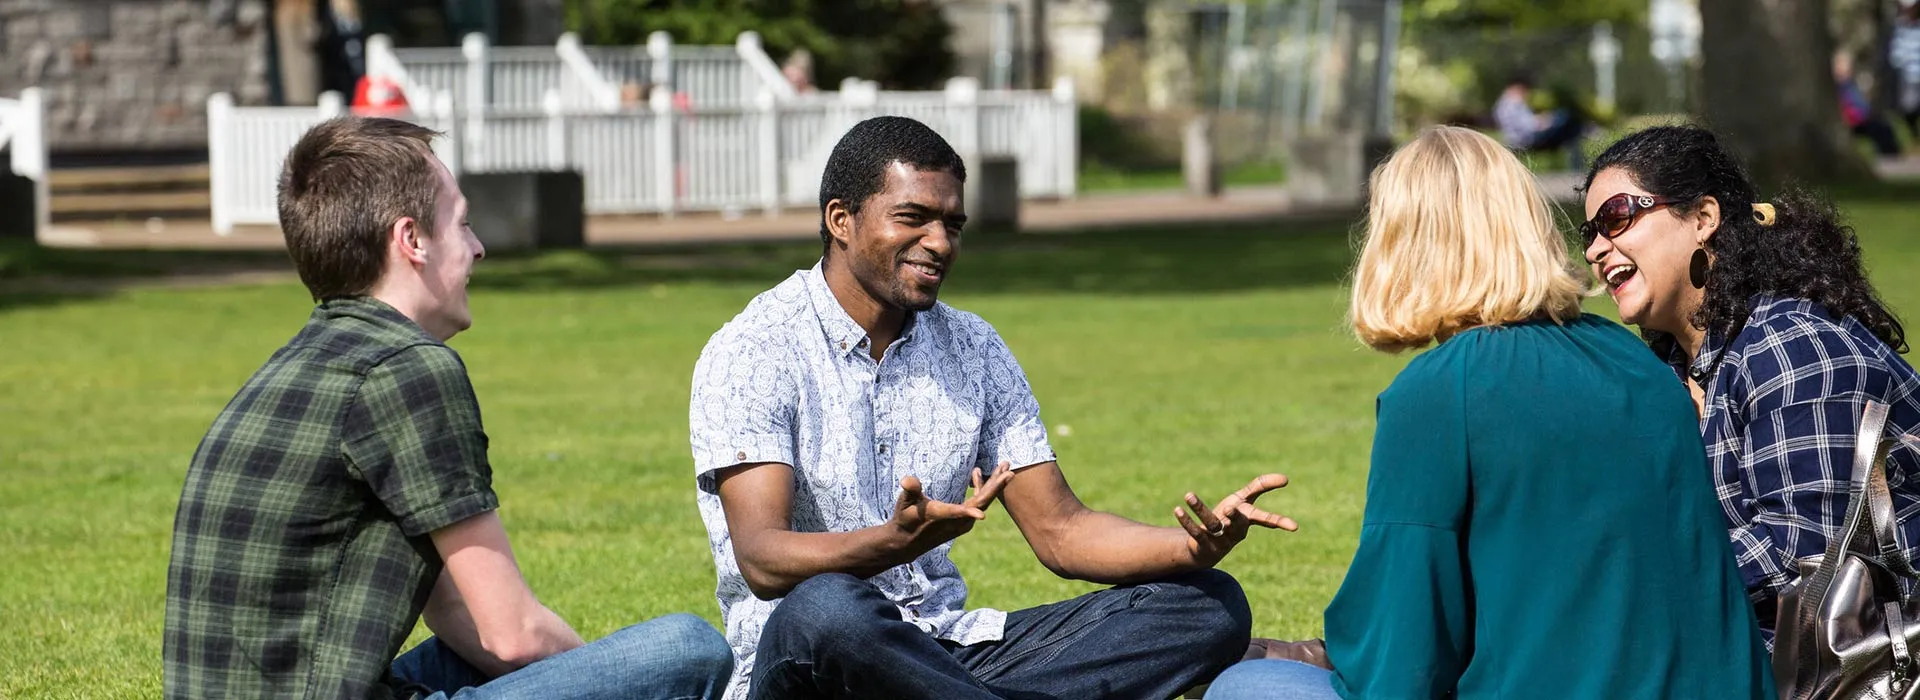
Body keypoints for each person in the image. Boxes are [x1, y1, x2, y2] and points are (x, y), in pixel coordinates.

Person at [688, 115, 1294, 700]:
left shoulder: (973, 346)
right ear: (840, 220)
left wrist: (1189, 548)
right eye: (913, 218)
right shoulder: (755, 349)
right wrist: (892, 542)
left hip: (949, 651)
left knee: (1207, 604)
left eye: (953, 224)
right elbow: (763, 559)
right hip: (812, 665)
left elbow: (1062, 531)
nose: (939, 243)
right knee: (827, 606)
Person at [162, 116, 734, 700]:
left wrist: (592, 676)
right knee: (687, 649)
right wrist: (621, 681)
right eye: (461, 223)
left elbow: (457, 611)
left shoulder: (299, 363)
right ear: (411, 240)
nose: (478, 247)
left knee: (466, 658)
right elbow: (513, 634)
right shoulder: (406, 369)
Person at [1203, 126, 1772, 699]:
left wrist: (1316, 656)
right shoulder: (1636, 361)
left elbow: (1401, 656)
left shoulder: (1437, 391)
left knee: (1244, 685)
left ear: (1403, 243)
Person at [1578, 124, 1920, 646]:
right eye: (1590, 233)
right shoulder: (1673, 371)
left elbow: (1810, 555)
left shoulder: (1789, 348)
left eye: (1616, 218)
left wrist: (1632, 581)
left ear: (1703, 218)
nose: (1594, 250)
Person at [1491, 73, 1587, 169]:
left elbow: (1524, 121)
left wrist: (1542, 118)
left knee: (1566, 122)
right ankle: (1578, 166)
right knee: (1566, 120)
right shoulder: (1513, 103)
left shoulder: (1505, 104)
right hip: (1526, 139)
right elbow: (1530, 126)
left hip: (1523, 137)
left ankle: (1578, 164)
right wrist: (1545, 121)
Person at [1835, 51, 1903, 159]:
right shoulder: (1837, 86)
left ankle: (1891, 157)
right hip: (1851, 121)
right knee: (1879, 128)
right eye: (1843, 66)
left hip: (1860, 118)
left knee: (1884, 128)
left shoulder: (1850, 84)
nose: (1847, 69)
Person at [1892, 2, 1920, 141]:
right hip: (1909, 74)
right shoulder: (1900, 27)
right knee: (1909, 108)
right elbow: (1896, 54)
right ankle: (1914, 135)